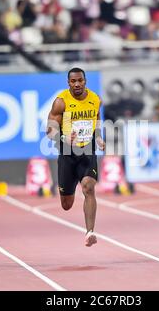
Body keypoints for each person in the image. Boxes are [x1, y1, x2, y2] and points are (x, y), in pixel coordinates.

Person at [46, 67, 105, 247]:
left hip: (87, 151)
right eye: (73, 81)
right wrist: (64, 137)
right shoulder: (61, 102)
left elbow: (96, 120)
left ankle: (90, 232)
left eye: (80, 80)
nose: (77, 84)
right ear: (68, 83)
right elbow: (49, 131)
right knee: (66, 204)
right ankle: (67, 193)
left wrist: (99, 137)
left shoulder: (95, 99)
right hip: (67, 154)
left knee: (88, 187)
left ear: (85, 81)